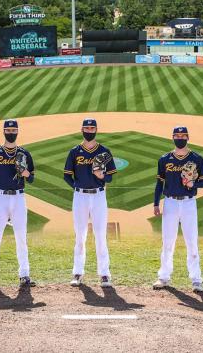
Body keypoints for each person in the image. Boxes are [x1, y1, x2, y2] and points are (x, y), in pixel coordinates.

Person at [152, 126, 203, 292]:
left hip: (189, 203)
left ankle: (196, 279)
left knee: (191, 242)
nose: (180, 138)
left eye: (183, 135)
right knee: (167, 242)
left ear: (187, 137)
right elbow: (159, 183)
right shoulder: (165, 159)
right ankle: (163, 277)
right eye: (177, 135)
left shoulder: (197, 159)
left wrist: (193, 184)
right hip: (170, 203)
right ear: (173, 137)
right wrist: (156, 203)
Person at [63, 118, 117, 288]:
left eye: (92, 127)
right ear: (81, 129)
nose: (89, 130)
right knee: (80, 236)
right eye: (86, 128)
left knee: (100, 236)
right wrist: (76, 187)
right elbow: (67, 175)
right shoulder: (75, 152)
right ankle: (77, 272)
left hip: (99, 196)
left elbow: (110, 176)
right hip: (80, 197)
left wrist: (102, 177)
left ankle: (104, 274)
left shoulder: (104, 151)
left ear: (96, 129)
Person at [0, 119, 36, 289]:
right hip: (0, 198)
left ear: (18, 132)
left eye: (14, 130)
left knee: (21, 237)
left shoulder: (24, 153)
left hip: (19, 198)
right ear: (4, 131)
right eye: (8, 130)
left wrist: (25, 172)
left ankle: (24, 274)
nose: (11, 133)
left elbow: (32, 178)